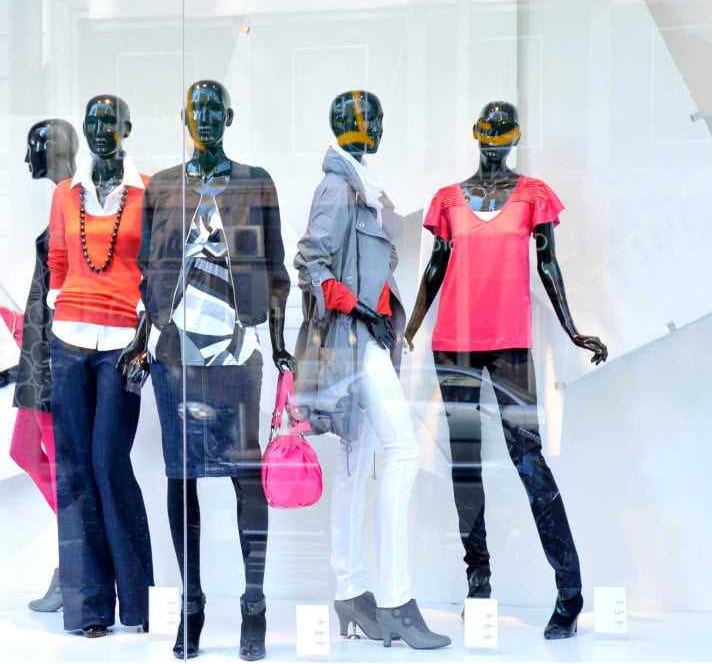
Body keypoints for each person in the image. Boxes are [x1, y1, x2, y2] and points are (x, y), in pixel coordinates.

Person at [403, 100, 608, 639]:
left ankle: (570, 590)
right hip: (453, 348)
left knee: (529, 460)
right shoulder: (448, 200)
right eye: (487, 129)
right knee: (464, 465)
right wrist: (410, 327)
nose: (494, 137)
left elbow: (548, 263)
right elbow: (436, 265)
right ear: (475, 133)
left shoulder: (533, 196)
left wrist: (572, 329)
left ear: (515, 136)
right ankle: (479, 581)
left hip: (510, 348)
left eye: (503, 130)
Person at [120, 79, 294, 661]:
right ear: (185, 119)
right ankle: (190, 604)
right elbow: (148, 271)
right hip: (175, 353)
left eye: (216, 109)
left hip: (238, 349)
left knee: (246, 475)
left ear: (230, 117)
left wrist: (278, 345)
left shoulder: (256, 182)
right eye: (198, 110)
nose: (207, 117)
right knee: (181, 476)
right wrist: (142, 340)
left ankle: (254, 605)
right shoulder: (163, 186)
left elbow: (276, 270)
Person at [294, 90, 450, 650]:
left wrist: (378, 310)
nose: (380, 125)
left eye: (380, 116)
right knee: (402, 451)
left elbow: (368, 265)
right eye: (372, 117)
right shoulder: (338, 187)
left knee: (357, 462)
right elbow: (309, 262)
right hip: (352, 342)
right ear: (347, 123)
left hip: (367, 340)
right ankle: (395, 600)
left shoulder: (362, 185)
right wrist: (361, 309)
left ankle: (351, 590)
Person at [47, 95, 154, 637]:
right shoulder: (66, 194)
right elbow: (57, 261)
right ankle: (88, 608)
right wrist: (59, 305)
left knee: (110, 461)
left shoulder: (149, 191)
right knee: (75, 470)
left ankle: (137, 603)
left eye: (109, 120)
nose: (98, 128)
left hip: (122, 342)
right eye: (91, 120)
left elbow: (157, 268)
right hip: (69, 338)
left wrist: (145, 334)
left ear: (126, 128)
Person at [9, 119, 78, 612]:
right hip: (36, 359)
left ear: (51, 150)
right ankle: (77, 550)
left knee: (62, 468)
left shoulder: (72, 201)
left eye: (33, 148)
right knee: (23, 451)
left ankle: (73, 564)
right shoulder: (61, 199)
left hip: (54, 363)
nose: (26, 158)